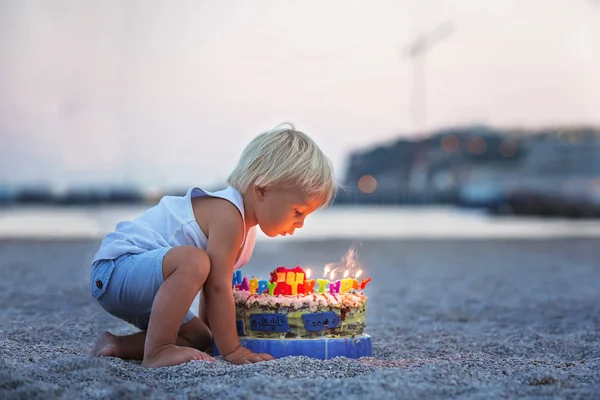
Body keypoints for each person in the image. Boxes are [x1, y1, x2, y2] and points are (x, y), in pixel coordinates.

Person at [90, 123, 337, 367]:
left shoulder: (243, 228)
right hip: (118, 268)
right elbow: (218, 288)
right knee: (195, 261)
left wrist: (216, 342)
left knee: (200, 338)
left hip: (147, 287)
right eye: (297, 212)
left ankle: (117, 345)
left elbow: (213, 286)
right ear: (261, 190)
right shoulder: (227, 213)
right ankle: (158, 351)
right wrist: (233, 350)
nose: (300, 223)